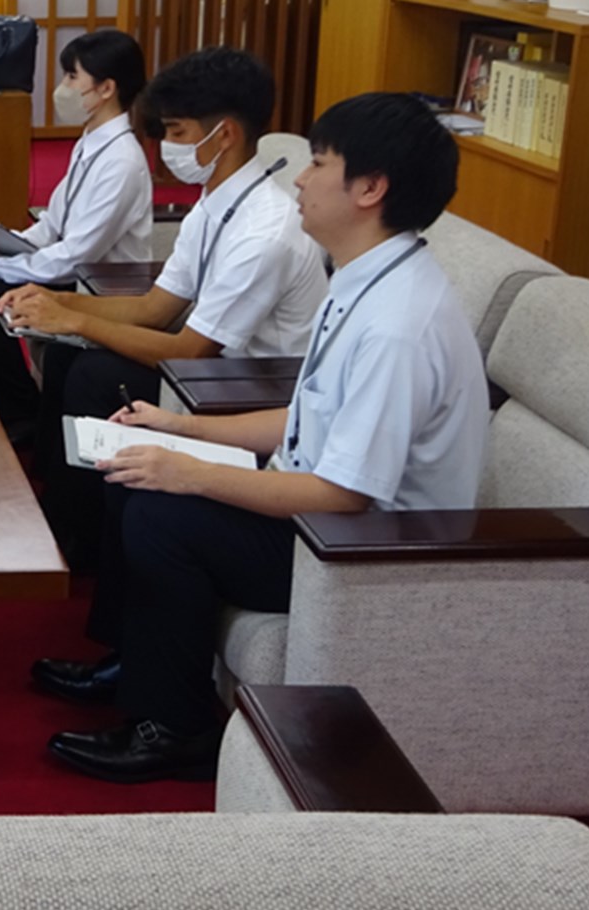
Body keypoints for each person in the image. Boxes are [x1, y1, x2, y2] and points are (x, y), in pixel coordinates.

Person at [42, 93, 490, 783]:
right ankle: (136, 666)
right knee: (135, 471)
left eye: (319, 164)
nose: (300, 180)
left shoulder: (398, 326)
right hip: (321, 512)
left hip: (364, 548)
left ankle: (176, 728)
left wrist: (188, 472)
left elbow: (342, 493)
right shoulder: (365, 277)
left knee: (162, 514)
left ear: (370, 188)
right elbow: (304, 416)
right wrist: (177, 428)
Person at [0, 47, 326, 564]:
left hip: (252, 387)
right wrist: (53, 300)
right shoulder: (215, 204)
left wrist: (76, 317)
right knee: (67, 351)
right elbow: (155, 308)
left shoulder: (265, 232)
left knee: (94, 372)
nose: (166, 147)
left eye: (177, 132)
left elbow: (191, 351)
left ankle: (81, 540)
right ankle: (63, 511)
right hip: (218, 366)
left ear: (225, 134)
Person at [0, 29, 153, 446]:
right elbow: (52, 223)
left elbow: (76, 255)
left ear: (106, 88)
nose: (63, 88)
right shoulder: (91, 142)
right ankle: (16, 406)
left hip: (99, 284)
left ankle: (21, 412)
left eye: (72, 77)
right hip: (72, 268)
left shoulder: (121, 161)